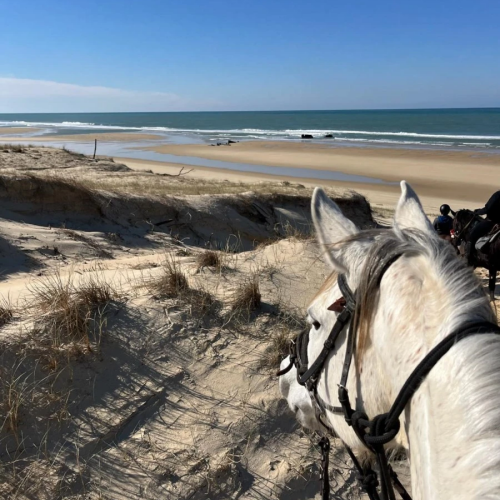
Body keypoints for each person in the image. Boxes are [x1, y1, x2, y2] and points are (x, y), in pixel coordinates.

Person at [467, 190, 500, 265]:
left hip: (492, 222)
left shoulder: (498, 195)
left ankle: (469, 259)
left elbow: (488, 208)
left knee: (472, 235)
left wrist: (478, 212)